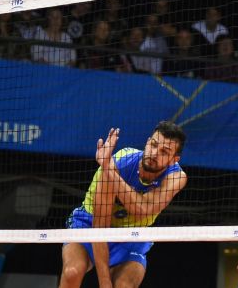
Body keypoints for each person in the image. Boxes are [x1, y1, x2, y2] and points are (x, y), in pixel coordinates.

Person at [59, 121, 188, 288]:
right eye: (153, 145)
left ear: (174, 160)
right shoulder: (119, 162)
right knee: (72, 272)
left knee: (124, 285)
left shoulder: (176, 178)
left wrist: (110, 171)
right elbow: (99, 228)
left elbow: (144, 210)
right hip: (89, 223)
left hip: (131, 234)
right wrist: (104, 282)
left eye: (164, 151)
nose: (154, 153)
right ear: (148, 141)